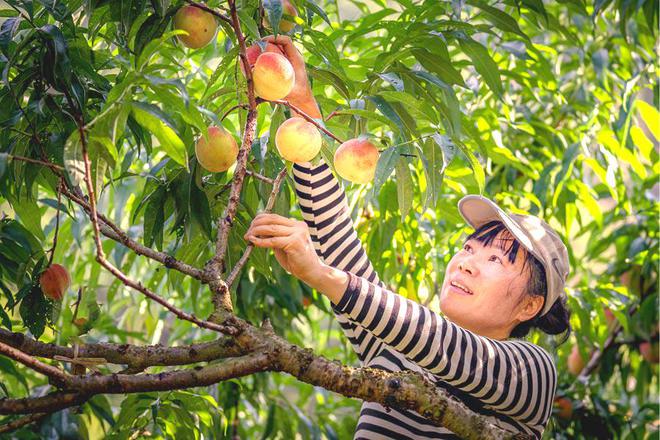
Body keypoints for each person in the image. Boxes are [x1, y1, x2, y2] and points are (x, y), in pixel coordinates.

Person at [243, 35, 572, 440]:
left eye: (494, 260)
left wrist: (320, 276)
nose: (466, 260)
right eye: (469, 247)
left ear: (530, 305)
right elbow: (338, 244)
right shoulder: (395, 351)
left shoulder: (532, 374)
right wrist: (304, 109)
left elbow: (444, 343)